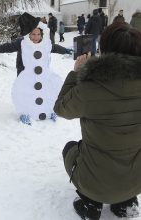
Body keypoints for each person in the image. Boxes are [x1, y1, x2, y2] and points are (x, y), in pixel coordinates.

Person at [54, 22, 141, 220]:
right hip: (136, 180)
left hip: (95, 183)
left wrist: (77, 73)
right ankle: (126, 201)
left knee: (70, 149)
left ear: (103, 50)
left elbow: (61, 108)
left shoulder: (89, 87)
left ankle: (91, 203)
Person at [0, 12, 73, 125]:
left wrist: (65, 50)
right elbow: (7, 47)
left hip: (42, 73)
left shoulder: (45, 43)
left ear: (42, 34)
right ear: (28, 34)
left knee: (47, 89)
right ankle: (25, 112)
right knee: (25, 92)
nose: (35, 37)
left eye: (38, 34)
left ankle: (49, 110)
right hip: (24, 71)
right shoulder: (22, 42)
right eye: (33, 34)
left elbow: (54, 47)